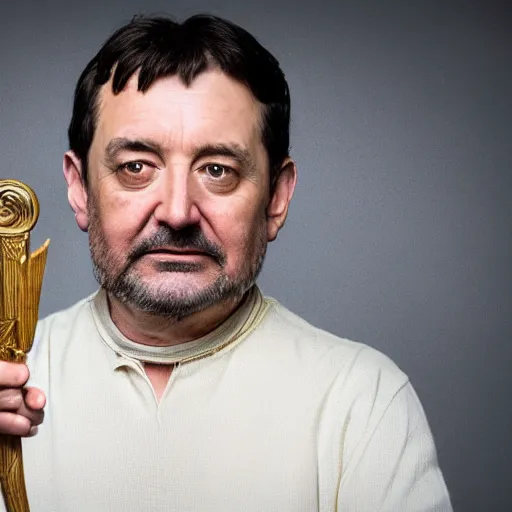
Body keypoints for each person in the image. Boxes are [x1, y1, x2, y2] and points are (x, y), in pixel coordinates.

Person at [0, 14, 452, 511]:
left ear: (276, 197)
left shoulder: (362, 404)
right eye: (136, 167)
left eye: (218, 170)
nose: (177, 211)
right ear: (80, 187)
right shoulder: (10, 381)